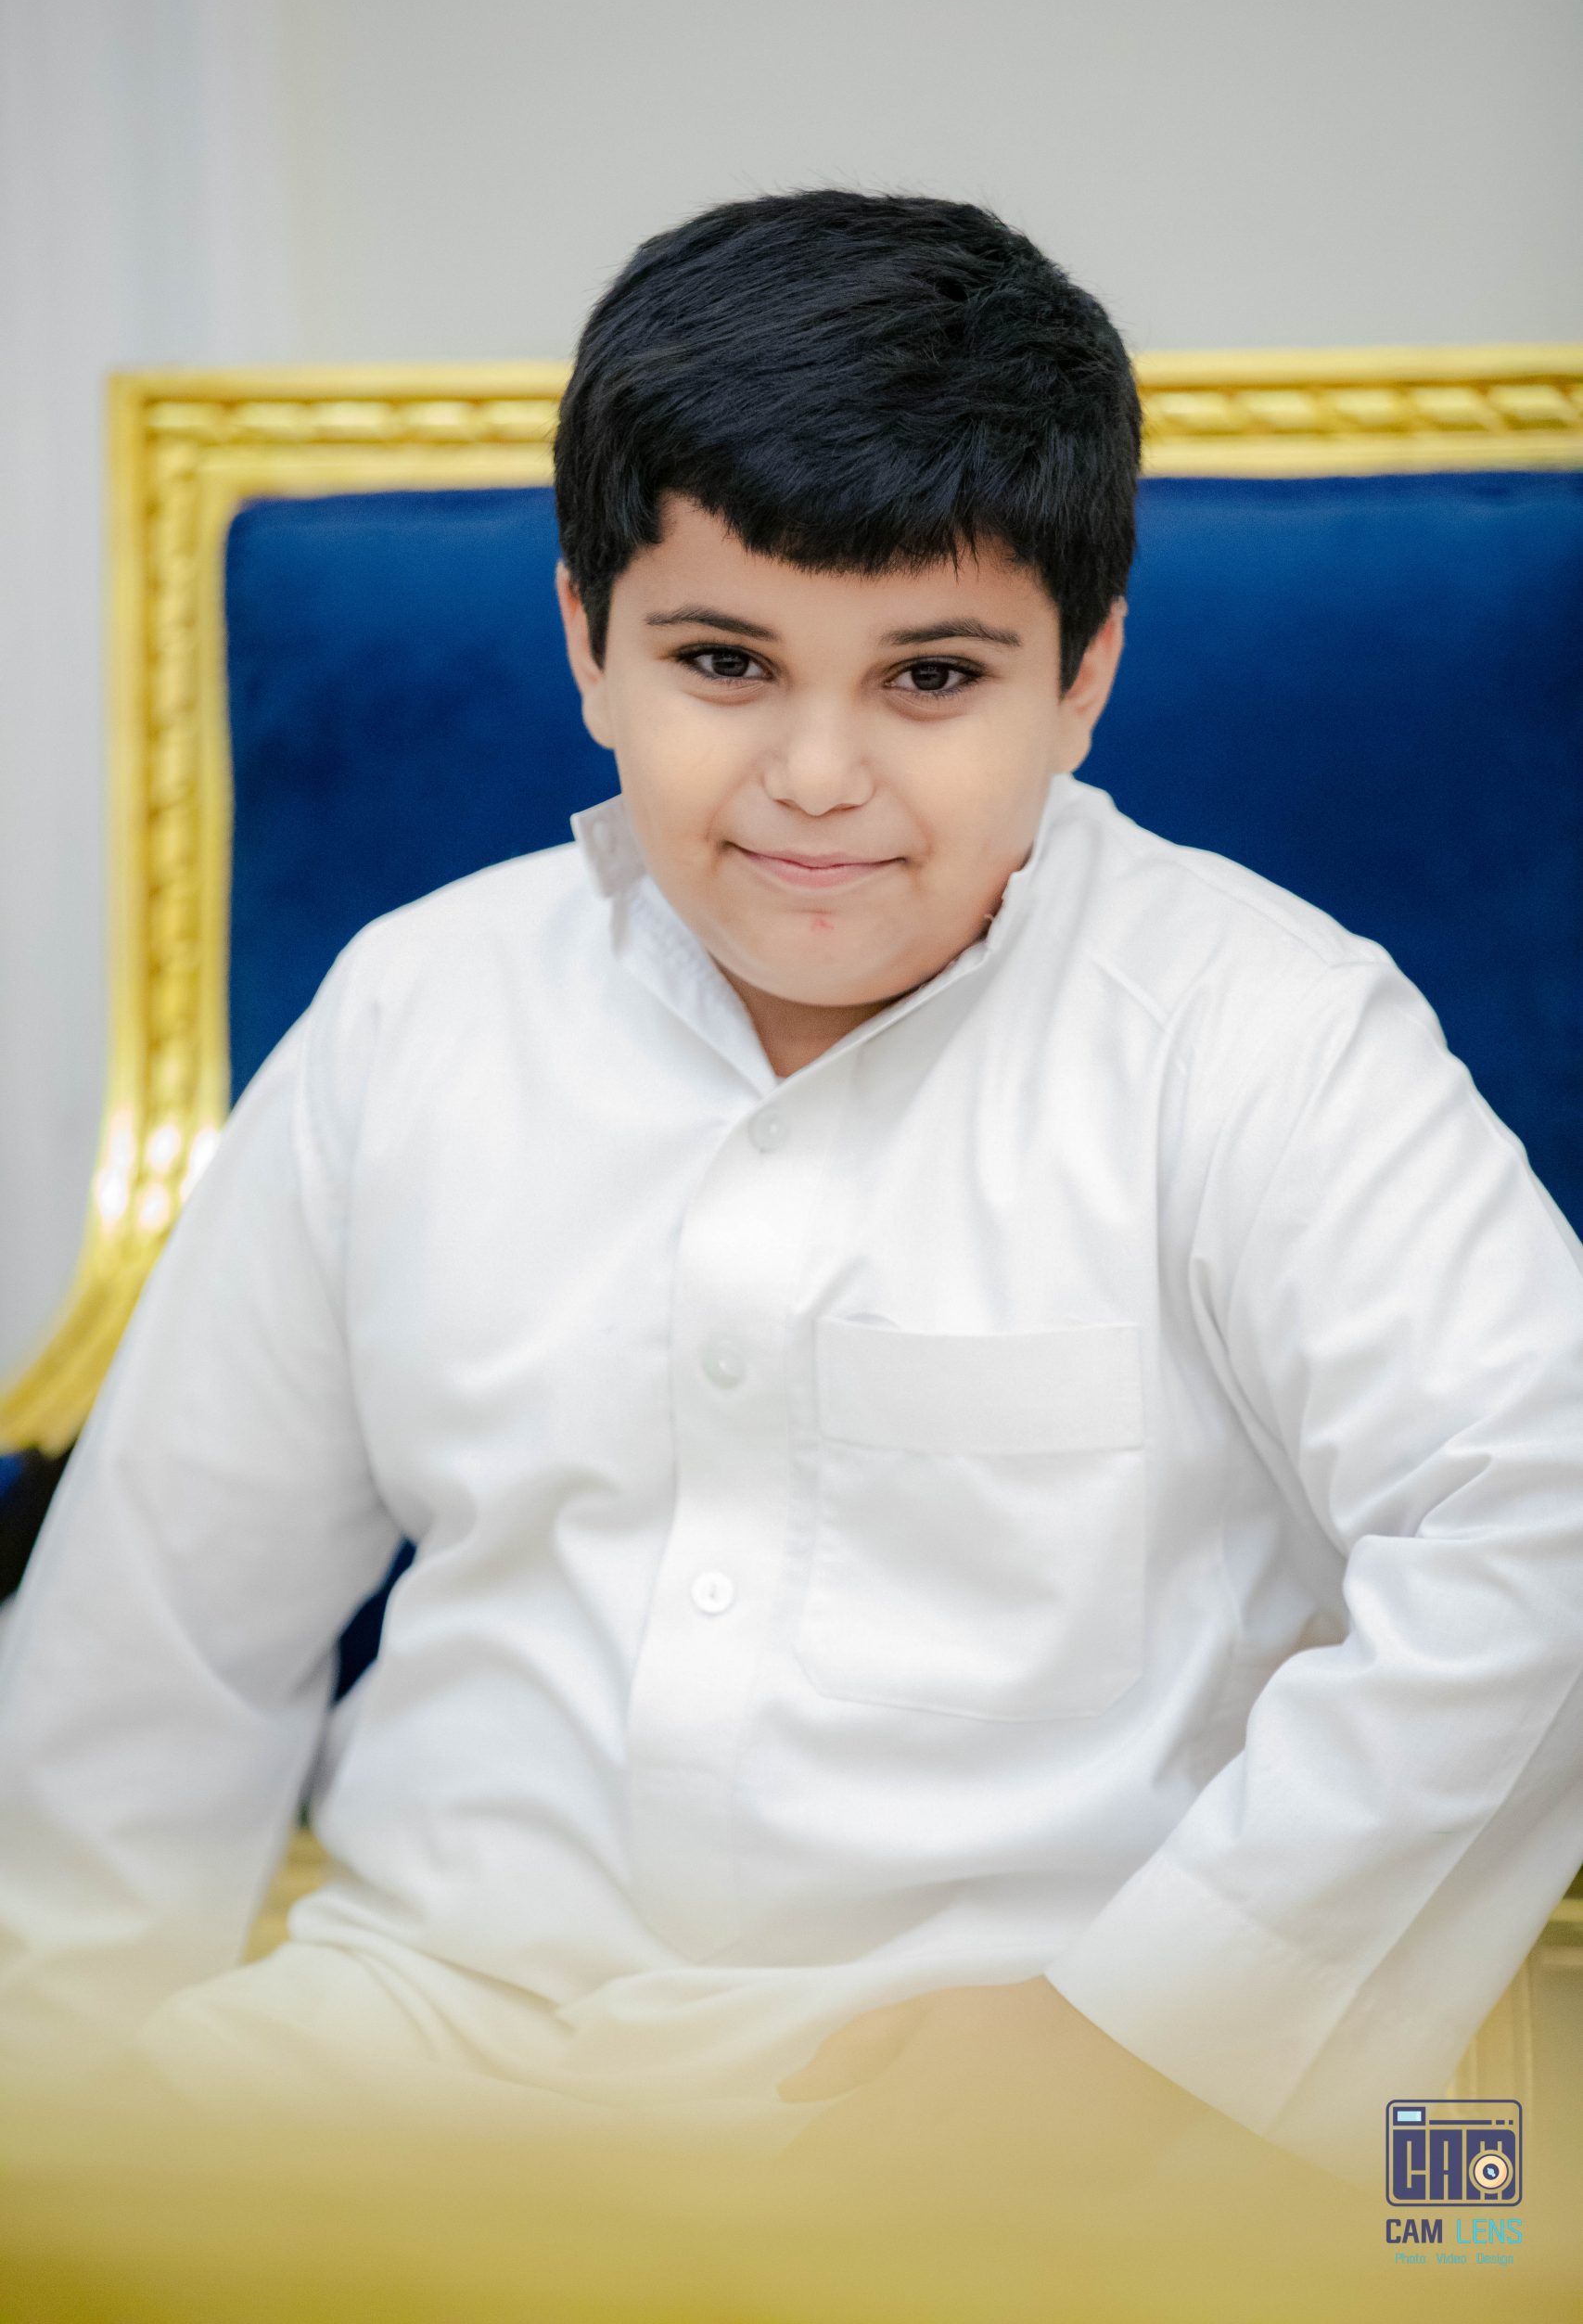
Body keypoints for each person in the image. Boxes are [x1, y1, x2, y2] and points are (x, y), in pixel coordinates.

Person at [1, 189, 1579, 2196]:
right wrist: (54, 2130)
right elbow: (158, 1643)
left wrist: (1153, 2030)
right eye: (725, 660)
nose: (817, 774)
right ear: (587, 643)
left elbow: (1545, 1511)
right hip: (422, 2035)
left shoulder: (1255, 1032)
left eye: (931, 677)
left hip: (1028, 2086)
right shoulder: (415, 1014)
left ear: (1083, 676)